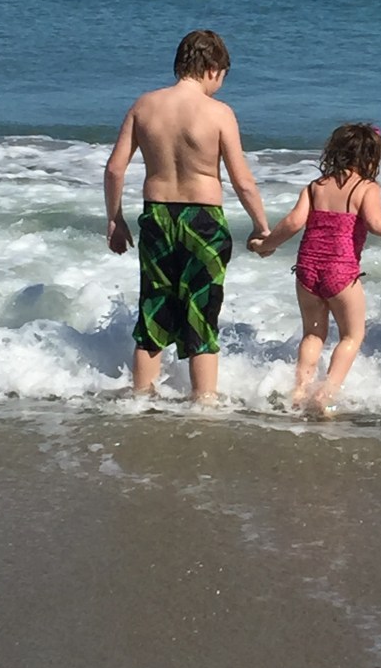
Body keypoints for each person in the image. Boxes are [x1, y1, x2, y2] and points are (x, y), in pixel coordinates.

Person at [104, 29, 269, 400]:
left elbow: (114, 169)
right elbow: (242, 181)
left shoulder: (145, 105)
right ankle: (203, 403)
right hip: (204, 223)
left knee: (154, 309)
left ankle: (141, 399)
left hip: (157, 217)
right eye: (221, 77)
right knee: (201, 312)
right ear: (212, 69)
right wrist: (261, 227)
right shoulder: (219, 113)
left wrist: (115, 219)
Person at [249, 123, 381, 414]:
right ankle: (326, 393)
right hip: (341, 272)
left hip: (307, 269)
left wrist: (266, 245)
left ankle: (299, 392)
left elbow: (293, 223)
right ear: (371, 157)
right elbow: (377, 224)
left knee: (312, 335)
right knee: (351, 336)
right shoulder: (365, 188)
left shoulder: (315, 187)